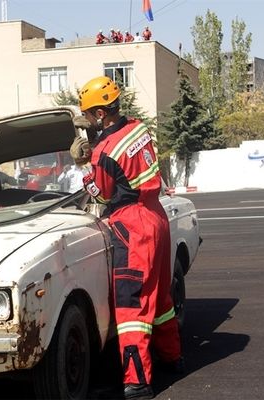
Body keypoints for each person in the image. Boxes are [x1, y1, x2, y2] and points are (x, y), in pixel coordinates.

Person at [72, 76, 183, 400]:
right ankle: (172, 357)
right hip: (156, 217)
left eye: (90, 116)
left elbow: (102, 194)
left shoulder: (103, 152)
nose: (89, 121)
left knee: (131, 307)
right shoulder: (137, 128)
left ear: (101, 114)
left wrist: (85, 165)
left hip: (132, 227)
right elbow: (130, 166)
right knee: (160, 299)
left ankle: (137, 383)